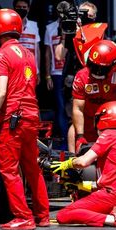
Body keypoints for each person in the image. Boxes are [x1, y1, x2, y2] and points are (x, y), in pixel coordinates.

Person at [0, 8, 49, 230]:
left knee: (9, 168)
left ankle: (23, 216)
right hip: (31, 116)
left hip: (14, 118)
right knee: (32, 168)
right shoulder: (28, 53)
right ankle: (43, 215)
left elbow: (0, 92)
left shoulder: (2, 55)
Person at [54, 101, 116, 228]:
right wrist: (79, 185)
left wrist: (66, 164)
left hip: (114, 196)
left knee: (63, 214)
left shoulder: (109, 134)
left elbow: (83, 162)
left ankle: (113, 219)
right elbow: (114, 180)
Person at [70, 40, 116, 153]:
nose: (96, 72)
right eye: (93, 66)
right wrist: (80, 136)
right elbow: (77, 109)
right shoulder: (81, 77)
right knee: (73, 129)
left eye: (101, 69)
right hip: (87, 121)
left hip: (112, 125)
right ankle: (73, 164)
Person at [43, 11, 68, 146]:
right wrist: (47, 76)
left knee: (70, 107)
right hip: (56, 73)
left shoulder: (74, 27)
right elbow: (47, 53)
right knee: (60, 107)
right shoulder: (50, 28)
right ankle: (63, 141)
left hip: (71, 72)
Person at [13, 0, 41, 77]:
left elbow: (37, 49)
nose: (21, 9)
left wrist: (38, 71)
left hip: (31, 68)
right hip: (15, 68)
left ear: (28, 9)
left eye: (24, 7)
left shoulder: (34, 25)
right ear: (14, 8)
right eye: (18, 7)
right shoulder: (10, 25)